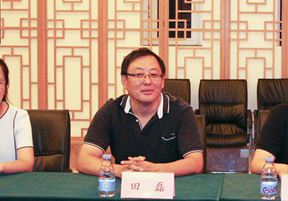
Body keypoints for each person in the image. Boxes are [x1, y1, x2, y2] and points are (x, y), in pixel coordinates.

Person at [77, 47, 204, 177]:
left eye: (154, 75)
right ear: (124, 80)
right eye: (139, 75)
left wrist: (153, 170)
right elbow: (84, 160)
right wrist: (121, 170)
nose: (147, 81)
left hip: (171, 186)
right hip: (125, 185)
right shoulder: (110, 111)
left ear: (162, 81)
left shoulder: (181, 111)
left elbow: (196, 163)